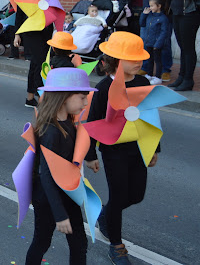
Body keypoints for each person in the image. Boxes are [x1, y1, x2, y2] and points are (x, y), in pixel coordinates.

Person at [84, 32, 153, 264]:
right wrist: (91, 154)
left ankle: (107, 213)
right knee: (118, 193)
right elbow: (93, 122)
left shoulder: (143, 83)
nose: (139, 62)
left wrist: (154, 149)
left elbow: (150, 118)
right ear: (116, 60)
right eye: (132, 58)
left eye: (140, 58)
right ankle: (116, 244)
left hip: (138, 148)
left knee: (136, 194)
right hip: (113, 150)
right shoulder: (105, 87)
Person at [24, 68, 95, 264]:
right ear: (64, 97)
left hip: (67, 192)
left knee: (79, 244)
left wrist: (89, 156)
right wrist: (60, 214)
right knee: (42, 242)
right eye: (82, 97)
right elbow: (46, 175)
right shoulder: (51, 131)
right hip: (49, 198)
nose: (86, 102)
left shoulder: (69, 124)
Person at [13, 0, 54, 108]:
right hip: (30, 30)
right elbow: (19, 14)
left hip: (46, 29)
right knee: (38, 62)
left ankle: (34, 95)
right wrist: (17, 34)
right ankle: (34, 95)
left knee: (42, 62)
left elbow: (54, 9)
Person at [136, 0, 177, 82]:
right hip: (147, 14)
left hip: (162, 15)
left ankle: (165, 70)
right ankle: (146, 67)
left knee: (163, 43)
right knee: (146, 42)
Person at [164, 0, 200, 91]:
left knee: (188, 48)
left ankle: (188, 80)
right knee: (182, 47)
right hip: (177, 15)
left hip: (189, 15)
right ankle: (181, 77)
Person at [139, 0, 168, 85]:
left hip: (157, 44)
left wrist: (158, 43)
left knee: (158, 60)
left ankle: (158, 77)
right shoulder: (149, 15)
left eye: (152, 6)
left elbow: (164, 32)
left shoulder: (163, 18)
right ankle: (149, 74)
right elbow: (141, 23)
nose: (150, 7)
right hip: (148, 42)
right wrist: (143, 14)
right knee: (150, 59)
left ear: (159, 6)